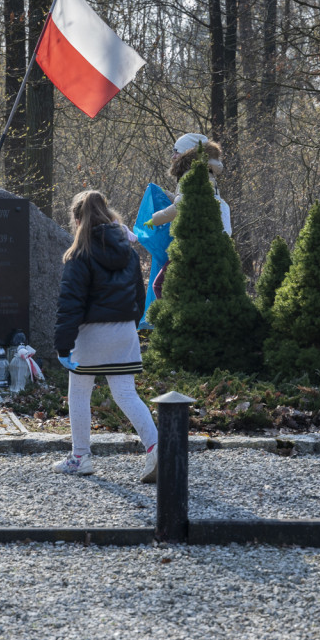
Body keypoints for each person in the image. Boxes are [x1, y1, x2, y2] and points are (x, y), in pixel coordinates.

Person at [53, 190, 159, 482]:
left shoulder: (79, 254)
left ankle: (80, 457)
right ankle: (156, 448)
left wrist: (63, 346)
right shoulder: (128, 250)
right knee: (126, 394)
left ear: (77, 220)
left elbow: (70, 304)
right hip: (125, 331)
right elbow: (139, 294)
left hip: (91, 335)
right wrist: (129, 326)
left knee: (79, 392)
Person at [144, 133, 231, 298]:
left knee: (160, 285)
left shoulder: (192, 174)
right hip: (206, 239)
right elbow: (186, 199)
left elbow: (180, 206)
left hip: (195, 241)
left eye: (176, 151)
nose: (173, 156)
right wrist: (166, 194)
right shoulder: (203, 172)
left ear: (186, 152)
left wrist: (154, 219)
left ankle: (175, 321)